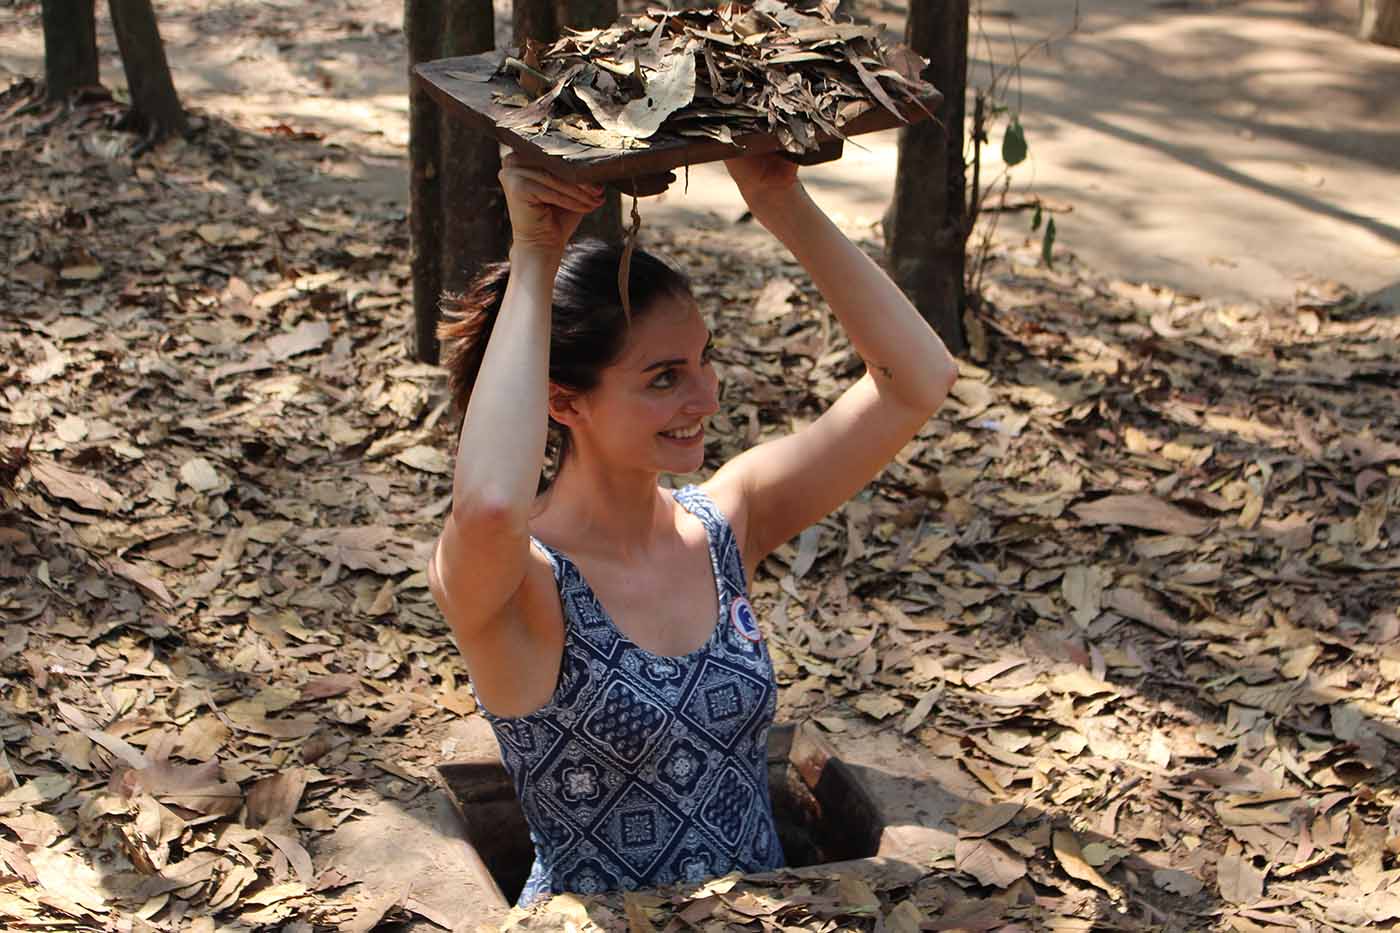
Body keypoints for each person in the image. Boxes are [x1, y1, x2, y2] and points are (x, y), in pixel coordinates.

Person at [428, 150, 958, 906]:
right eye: (664, 377)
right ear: (564, 401)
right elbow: (485, 504)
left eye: (704, 360)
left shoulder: (725, 522)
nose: (706, 396)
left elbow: (919, 379)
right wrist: (535, 257)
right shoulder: (521, 582)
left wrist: (778, 198)